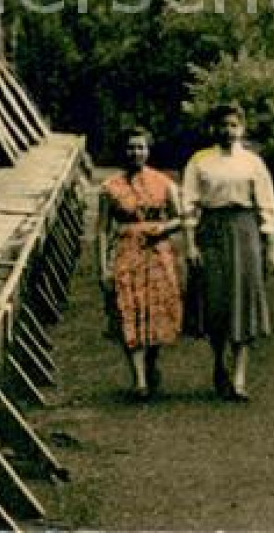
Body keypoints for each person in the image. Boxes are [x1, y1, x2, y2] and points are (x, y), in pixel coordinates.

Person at [182, 103, 274, 402]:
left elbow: (267, 205)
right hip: (211, 230)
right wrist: (190, 244)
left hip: (244, 230)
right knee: (215, 302)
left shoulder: (253, 162)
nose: (228, 131)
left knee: (243, 301)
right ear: (214, 128)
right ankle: (218, 362)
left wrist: (272, 249)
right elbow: (188, 204)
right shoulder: (200, 160)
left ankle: (239, 378)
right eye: (222, 125)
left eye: (233, 125)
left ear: (242, 128)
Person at [96, 127, 186, 400]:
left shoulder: (165, 183)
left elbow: (181, 218)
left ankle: (151, 362)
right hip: (126, 253)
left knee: (156, 311)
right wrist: (102, 267)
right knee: (128, 309)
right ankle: (140, 381)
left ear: (148, 150)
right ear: (123, 151)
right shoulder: (110, 187)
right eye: (131, 148)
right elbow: (101, 229)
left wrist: (163, 228)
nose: (136, 153)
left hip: (157, 253)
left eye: (141, 148)